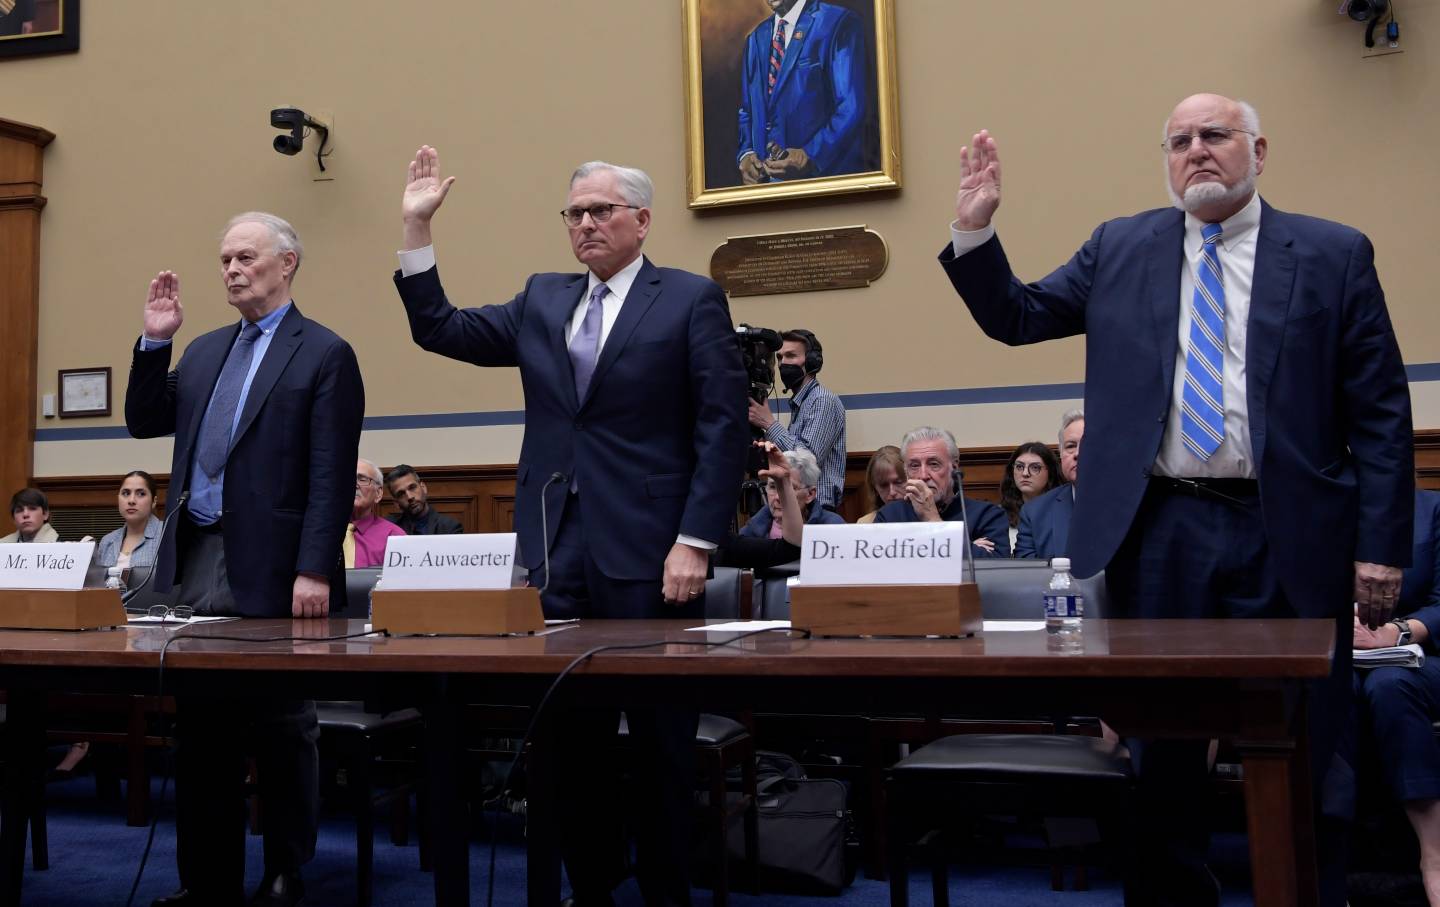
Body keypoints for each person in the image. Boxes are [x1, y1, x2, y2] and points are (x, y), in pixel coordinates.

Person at [941, 94, 1412, 906]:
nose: (1196, 151)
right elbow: (1017, 317)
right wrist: (976, 232)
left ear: (1258, 149)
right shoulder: (1120, 247)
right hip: (1159, 531)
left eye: (1215, 136)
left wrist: (1381, 544)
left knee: (1307, 748)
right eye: (1179, 140)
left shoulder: (1333, 254)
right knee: (1161, 756)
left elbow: (1380, 413)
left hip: (1289, 528)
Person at [393, 147, 747, 906]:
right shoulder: (542, 299)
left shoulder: (689, 300)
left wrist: (697, 538)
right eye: (575, 213)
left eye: (601, 210)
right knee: (568, 743)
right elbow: (442, 330)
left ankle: (663, 893)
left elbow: (721, 428)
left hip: (655, 552)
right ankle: (590, 887)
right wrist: (417, 231)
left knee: (659, 746)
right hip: (554, 551)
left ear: (642, 221)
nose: (585, 224)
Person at [125, 211, 365, 907]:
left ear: (286, 263)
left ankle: (285, 871)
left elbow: (330, 471)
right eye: (224, 258)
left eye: (246, 257)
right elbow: (144, 419)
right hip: (198, 559)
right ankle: (208, 883)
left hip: (281, 567)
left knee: (283, 727)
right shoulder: (200, 352)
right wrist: (153, 342)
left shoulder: (324, 352)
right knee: (201, 734)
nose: (231, 269)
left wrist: (316, 566)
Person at [1354, 488, 1440, 904]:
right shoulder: (1311, 509)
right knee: (1327, 690)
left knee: (1389, 684)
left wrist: (1397, 632)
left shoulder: (1432, 508)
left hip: (1422, 657)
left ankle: (1434, 853)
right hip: (1331, 654)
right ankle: (1331, 859)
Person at [736, 0, 875, 183]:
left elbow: (851, 108)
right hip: (767, 195)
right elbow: (747, 110)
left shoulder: (840, 23)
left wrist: (809, 155)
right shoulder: (755, 38)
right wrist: (746, 153)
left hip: (827, 188)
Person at [872, 427, 1009, 557]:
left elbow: (995, 569)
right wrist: (966, 546)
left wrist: (932, 519)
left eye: (933, 464)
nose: (923, 475)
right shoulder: (889, 516)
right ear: (906, 472)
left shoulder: (987, 515)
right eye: (914, 466)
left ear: (954, 468)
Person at [747, 329, 846, 510]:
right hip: (798, 508)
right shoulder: (801, 403)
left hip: (817, 510)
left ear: (811, 362)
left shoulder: (821, 400)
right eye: (779, 358)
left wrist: (768, 423)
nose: (783, 363)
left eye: (791, 356)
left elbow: (808, 460)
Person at [716, 442, 809, 570]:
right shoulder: (752, 528)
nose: (777, 497)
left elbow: (791, 549)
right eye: (771, 487)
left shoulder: (720, 542)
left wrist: (783, 482)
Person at [1014, 411, 1083, 560]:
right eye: (1070, 446)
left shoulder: (1132, 504)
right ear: (1061, 454)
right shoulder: (1034, 512)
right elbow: (1026, 573)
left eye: (1087, 444)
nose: (1077, 453)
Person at [738, 447, 844, 541]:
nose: (778, 497)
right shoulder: (751, 530)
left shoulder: (832, 527)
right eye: (772, 487)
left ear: (810, 494)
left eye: (788, 488)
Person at [999, 440, 1063, 549]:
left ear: (1051, 472)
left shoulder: (1062, 510)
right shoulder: (998, 515)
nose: (1025, 474)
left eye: (1035, 467)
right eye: (1019, 467)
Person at [96, 470, 163, 572]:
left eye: (141, 494)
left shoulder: (166, 535)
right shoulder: (107, 541)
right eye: (126, 493)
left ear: (154, 501)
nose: (131, 500)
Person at [348, 459, 406, 568]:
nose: (354, 484)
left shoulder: (394, 536)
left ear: (378, 493)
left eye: (362, 479)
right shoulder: (321, 531)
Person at [384, 464, 463, 535]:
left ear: (423, 488)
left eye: (412, 488)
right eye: (401, 494)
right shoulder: (389, 528)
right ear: (396, 503)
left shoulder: (449, 527)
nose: (410, 497)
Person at [856, 445, 905, 524]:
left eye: (898, 482)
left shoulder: (925, 516)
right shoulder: (865, 523)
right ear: (875, 489)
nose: (892, 492)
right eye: (884, 485)